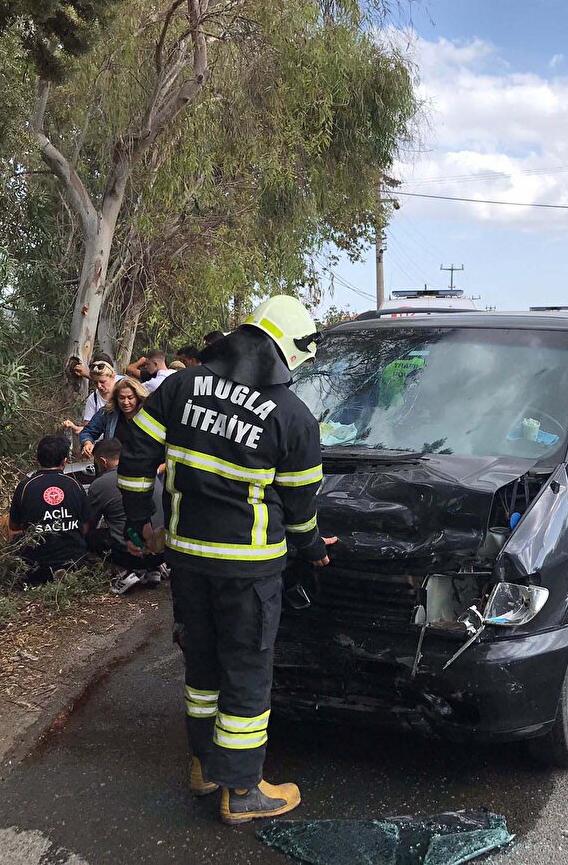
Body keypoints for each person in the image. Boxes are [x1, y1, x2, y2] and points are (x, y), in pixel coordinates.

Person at [119, 295, 336, 825]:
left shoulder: (179, 386)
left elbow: (134, 460)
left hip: (188, 560)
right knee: (246, 672)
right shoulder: (292, 417)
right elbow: (302, 510)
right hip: (249, 570)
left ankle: (205, 768)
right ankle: (242, 792)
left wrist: (140, 522)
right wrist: (311, 551)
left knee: (203, 667)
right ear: (285, 353)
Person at [8, 435, 93, 584]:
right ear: (64, 461)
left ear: (38, 459)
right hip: (74, 566)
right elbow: (85, 527)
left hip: (35, 572)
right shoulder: (75, 485)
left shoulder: (25, 487)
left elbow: (14, 526)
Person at [86, 438, 167, 595]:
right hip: (163, 551)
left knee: (91, 536)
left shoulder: (100, 484)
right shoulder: (147, 473)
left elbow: (89, 523)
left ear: (102, 461)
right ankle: (152, 570)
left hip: (133, 554)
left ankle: (124, 573)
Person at [79, 377, 149, 459]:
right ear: (116, 398)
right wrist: (87, 443)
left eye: (130, 398)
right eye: (122, 398)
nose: (126, 402)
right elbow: (88, 431)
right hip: (113, 464)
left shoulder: (148, 414)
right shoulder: (108, 412)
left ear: (138, 397)